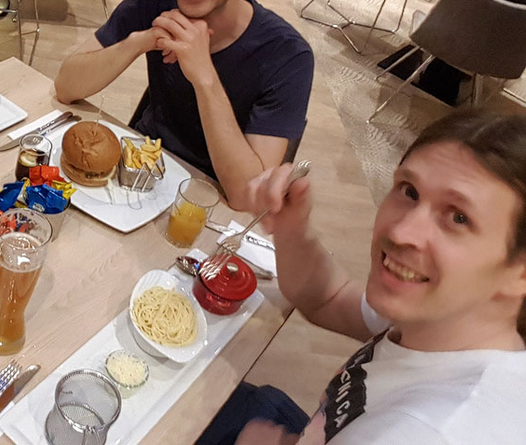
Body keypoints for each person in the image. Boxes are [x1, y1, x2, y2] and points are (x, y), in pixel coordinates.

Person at [198, 108, 526, 444]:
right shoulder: (442, 318)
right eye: (410, 191)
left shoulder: (426, 431)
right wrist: (291, 227)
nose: (400, 232)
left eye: (458, 217)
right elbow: (328, 297)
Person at [54, 0, 313, 208]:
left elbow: (247, 196)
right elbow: (66, 87)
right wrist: (140, 41)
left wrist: (204, 77)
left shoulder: (287, 55)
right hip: (139, 174)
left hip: (212, 203)